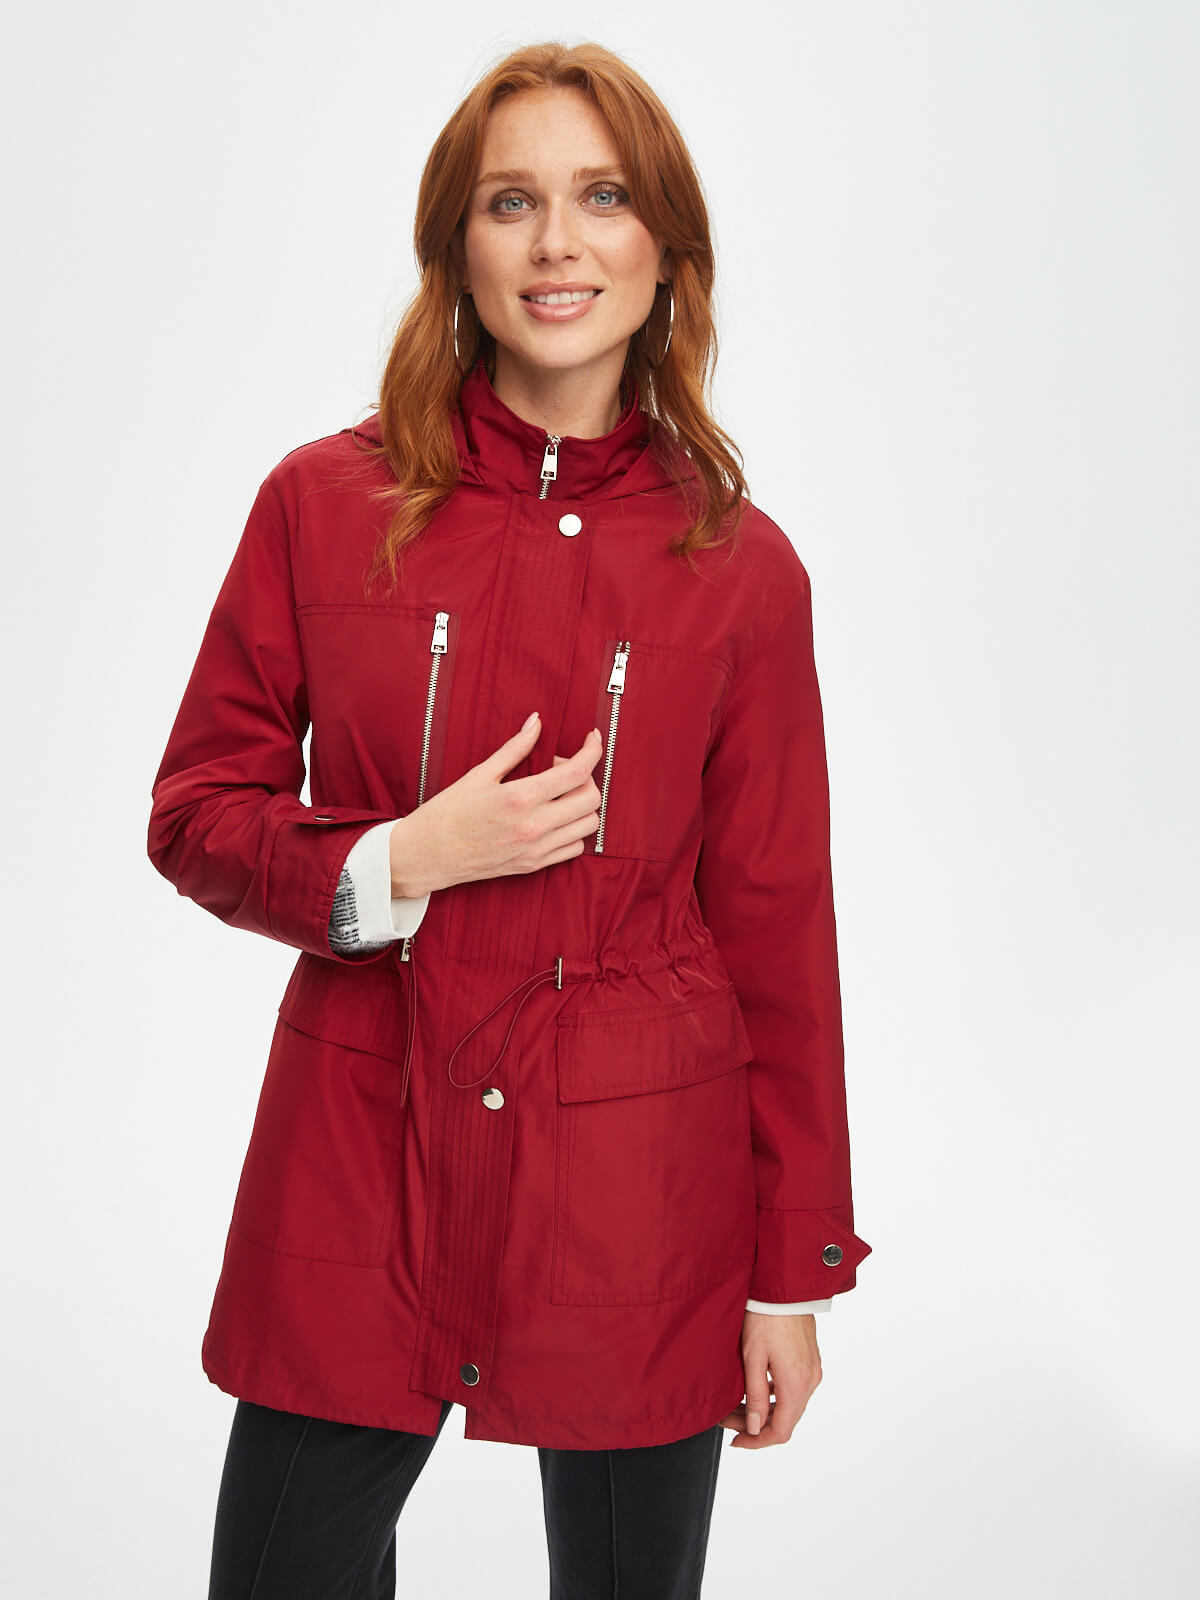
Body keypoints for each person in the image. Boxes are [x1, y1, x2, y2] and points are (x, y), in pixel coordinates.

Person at [148, 38, 872, 1600]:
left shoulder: (741, 571)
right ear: (455, 250)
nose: (558, 244)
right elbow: (198, 809)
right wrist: (403, 858)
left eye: (603, 198)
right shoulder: (319, 506)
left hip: (636, 1187)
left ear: (665, 251)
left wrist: (791, 1272)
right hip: (364, 1150)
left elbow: (776, 934)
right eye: (510, 202)